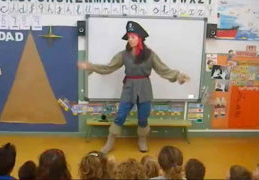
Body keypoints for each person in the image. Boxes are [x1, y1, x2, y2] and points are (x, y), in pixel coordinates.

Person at [78, 21, 189, 153]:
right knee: (120, 116)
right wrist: (92, 67)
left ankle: (142, 140)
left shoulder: (150, 55)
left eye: (133, 37)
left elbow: (163, 69)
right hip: (129, 88)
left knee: (143, 117)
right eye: (129, 37)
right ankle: (110, 143)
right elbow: (109, 67)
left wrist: (178, 76)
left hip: (144, 88)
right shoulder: (123, 55)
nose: (130, 40)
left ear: (140, 38)